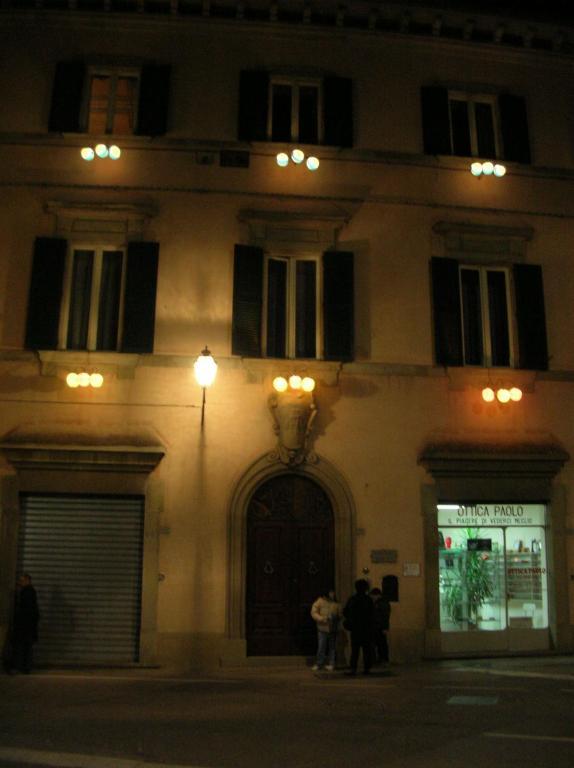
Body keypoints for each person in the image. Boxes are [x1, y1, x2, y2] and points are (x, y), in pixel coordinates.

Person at [9, 573, 39, 674]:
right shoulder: (30, 592)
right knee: (26, 647)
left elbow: (26, 610)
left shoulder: (27, 592)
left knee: (20, 646)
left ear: (27, 580)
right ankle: (26, 668)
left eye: (22, 581)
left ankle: (19, 667)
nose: (20, 583)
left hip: (24, 626)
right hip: (28, 626)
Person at [343, 578, 374, 675]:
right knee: (366, 650)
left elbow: (346, 611)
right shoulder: (368, 600)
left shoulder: (353, 599)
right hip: (366, 628)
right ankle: (367, 668)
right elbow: (372, 614)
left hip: (355, 629)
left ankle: (353, 669)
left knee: (355, 650)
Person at [310, 589, 342, 671]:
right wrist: (322, 619)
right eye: (331, 592)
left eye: (333, 592)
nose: (332, 594)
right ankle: (319, 663)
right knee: (321, 646)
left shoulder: (336, 603)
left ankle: (332, 663)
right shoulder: (320, 601)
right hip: (322, 627)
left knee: (332, 647)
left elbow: (340, 615)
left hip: (333, 628)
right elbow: (314, 612)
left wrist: (336, 617)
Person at [370, 587, 391, 665]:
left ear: (377, 595)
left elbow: (385, 616)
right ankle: (378, 659)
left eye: (373, 596)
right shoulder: (378, 603)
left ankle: (383, 659)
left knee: (381, 644)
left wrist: (385, 628)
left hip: (380, 627)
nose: (372, 597)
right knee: (378, 644)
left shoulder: (382, 603)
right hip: (376, 627)